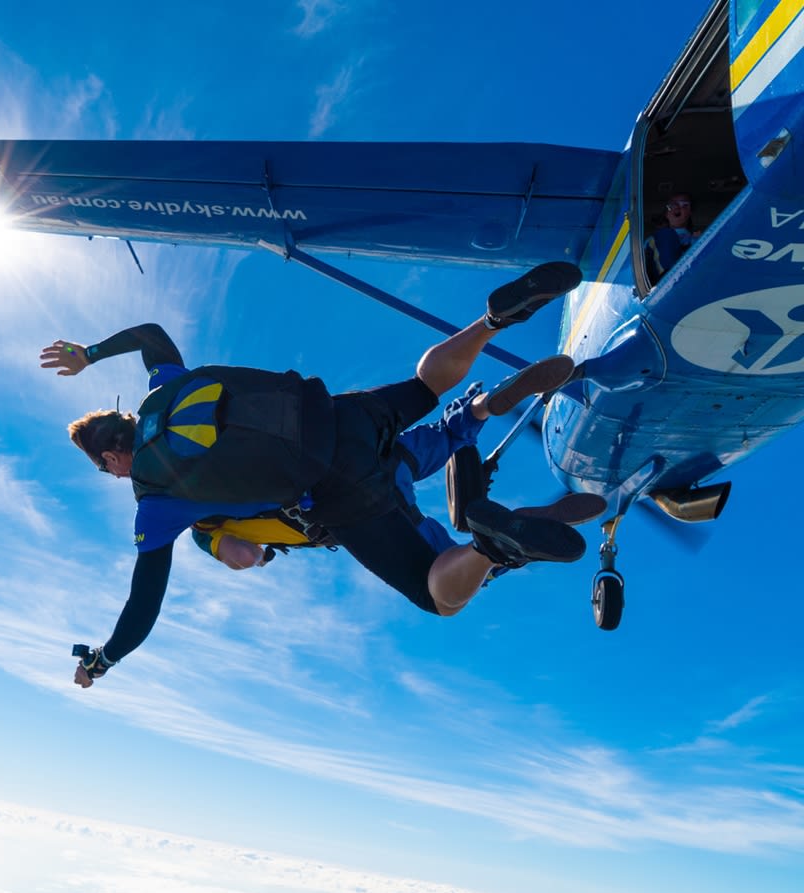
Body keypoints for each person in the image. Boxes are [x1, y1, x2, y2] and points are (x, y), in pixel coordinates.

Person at [41, 262, 590, 688]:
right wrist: (88, 354)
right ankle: (490, 324)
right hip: (342, 414)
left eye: (103, 468)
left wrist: (104, 659)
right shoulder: (164, 385)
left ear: (113, 459)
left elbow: (144, 605)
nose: (112, 475)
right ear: (124, 419)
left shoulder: (156, 504)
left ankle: (492, 549)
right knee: (425, 390)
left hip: (340, 492)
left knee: (438, 594)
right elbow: (151, 333)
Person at [191, 384, 605, 570]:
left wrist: (258, 557)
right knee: (448, 435)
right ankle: (479, 405)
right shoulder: (231, 455)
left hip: (362, 505)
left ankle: (500, 546)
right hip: (366, 445)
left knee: (447, 573)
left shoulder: (200, 524)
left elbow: (242, 555)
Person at [646, 193, 697, 284]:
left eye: (684, 205)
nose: (677, 208)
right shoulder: (654, 240)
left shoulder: (699, 240)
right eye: (672, 205)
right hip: (664, 285)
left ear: (690, 212)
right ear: (666, 214)